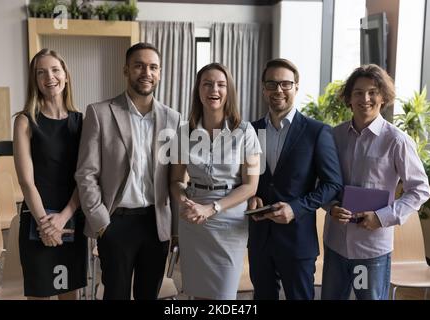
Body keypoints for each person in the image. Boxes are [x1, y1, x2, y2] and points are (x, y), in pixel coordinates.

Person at [75, 42, 181, 300]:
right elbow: (86, 173)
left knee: (149, 295)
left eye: (153, 67)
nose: (146, 72)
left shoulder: (173, 119)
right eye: (139, 66)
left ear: (160, 73)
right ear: (126, 70)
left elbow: (175, 179)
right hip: (116, 223)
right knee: (116, 295)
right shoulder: (99, 113)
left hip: (156, 224)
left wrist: (175, 229)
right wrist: (101, 223)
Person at [321, 64, 430, 300]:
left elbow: (419, 189)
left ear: (383, 97)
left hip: (370, 250)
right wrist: (330, 207)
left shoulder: (397, 141)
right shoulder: (333, 136)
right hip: (335, 244)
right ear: (349, 98)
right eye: (358, 92)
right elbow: (322, 181)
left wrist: (382, 217)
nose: (365, 98)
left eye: (372, 92)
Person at [248, 58, 343, 300]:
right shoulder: (250, 130)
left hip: (297, 239)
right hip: (260, 239)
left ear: (296, 87)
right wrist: (252, 196)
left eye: (286, 84)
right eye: (272, 84)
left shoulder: (317, 131)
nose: (278, 90)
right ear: (263, 89)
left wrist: (296, 208)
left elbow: (333, 185)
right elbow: (244, 179)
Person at [170, 63, 261, 299]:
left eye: (221, 84)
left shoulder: (246, 131)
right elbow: (176, 180)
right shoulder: (183, 132)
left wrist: (212, 208)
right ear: (198, 90)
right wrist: (184, 203)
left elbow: (250, 186)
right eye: (207, 84)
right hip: (194, 221)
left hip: (229, 220)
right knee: (197, 294)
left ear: (228, 90)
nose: (214, 89)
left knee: (223, 296)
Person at [13, 48, 87, 300]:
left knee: (69, 293)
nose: (49, 77)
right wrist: (46, 225)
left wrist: (64, 217)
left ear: (65, 75)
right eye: (41, 72)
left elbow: (85, 177)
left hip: (72, 218)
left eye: (55, 70)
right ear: (35, 80)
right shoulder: (25, 121)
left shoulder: (81, 122)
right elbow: (26, 181)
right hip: (37, 217)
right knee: (40, 294)